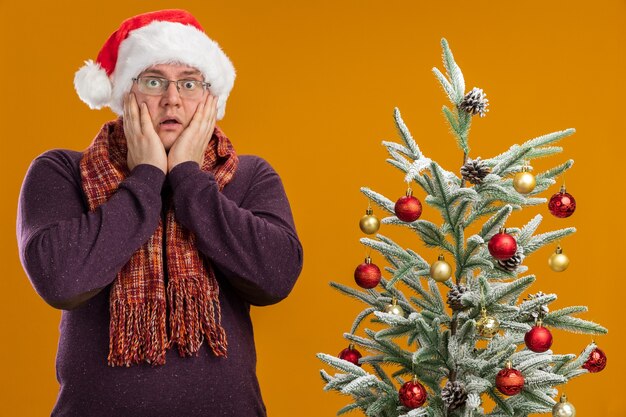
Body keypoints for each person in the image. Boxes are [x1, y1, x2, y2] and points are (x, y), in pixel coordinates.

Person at [16, 9, 303, 417]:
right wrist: (147, 176)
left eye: (189, 82)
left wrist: (188, 177)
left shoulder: (249, 175)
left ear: (209, 97)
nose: (172, 98)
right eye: (153, 81)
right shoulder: (62, 171)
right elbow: (62, 281)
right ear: (123, 94)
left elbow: (275, 278)